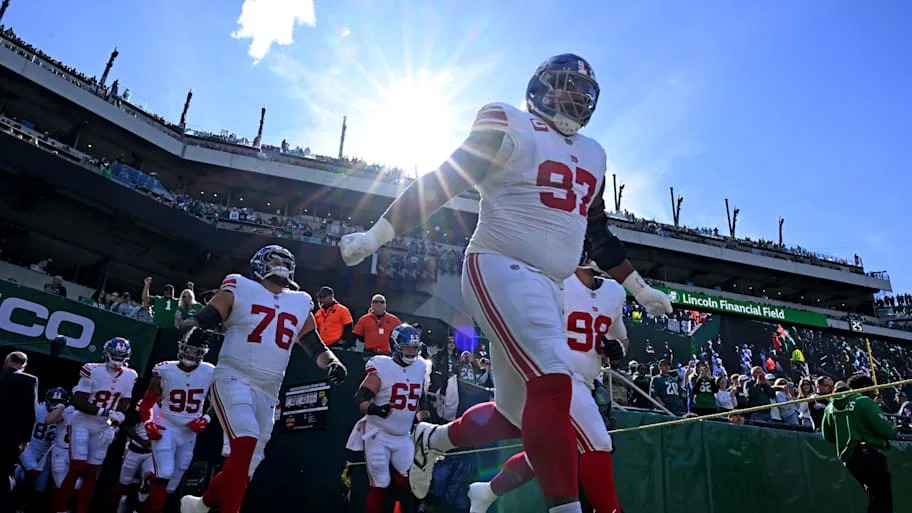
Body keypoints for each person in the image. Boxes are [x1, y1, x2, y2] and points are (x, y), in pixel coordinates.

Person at [339, 53, 671, 512]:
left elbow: (597, 234)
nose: (573, 96)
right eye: (565, 85)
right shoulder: (506, 120)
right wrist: (379, 232)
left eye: (582, 91)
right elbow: (444, 181)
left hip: (548, 286)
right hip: (499, 262)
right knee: (553, 380)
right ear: (540, 86)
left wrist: (640, 288)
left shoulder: (594, 153)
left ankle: (431, 439)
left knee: (513, 415)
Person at [179, 245, 348, 513]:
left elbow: (315, 347)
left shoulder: (299, 301)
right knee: (244, 441)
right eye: (276, 261)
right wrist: (194, 333)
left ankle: (201, 505)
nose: (280, 266)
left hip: (268, 390)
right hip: (234, 376)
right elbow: (198, 320)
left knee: (246, 467)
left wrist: (333, 363)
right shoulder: (239, 286)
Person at [467, 252, 628, 513]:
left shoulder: (615, 293)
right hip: (554, 372)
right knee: (598, 441)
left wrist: (618, 348)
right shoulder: (555, 277)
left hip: (585, 382)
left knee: (543, 455)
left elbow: (621, 338)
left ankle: (486, 492)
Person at [347, 324, 429, 513]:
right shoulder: (382, 366)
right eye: (407, 346)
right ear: (395, 345)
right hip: (378, 434)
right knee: (381, 483)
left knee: (410, 480)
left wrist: (423, 422)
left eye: (415, 347)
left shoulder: (420, 367)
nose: (411, 351)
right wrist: (375, 409)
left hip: (403, 436)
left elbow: (420, 398)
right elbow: (359, 399)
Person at [51, 338, 137, 513]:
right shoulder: (92, 369)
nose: (117, 357)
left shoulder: (130, 375)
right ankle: (60, 508)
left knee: (92, 471)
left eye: (121, 355)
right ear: (106, 353)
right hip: (83, 421)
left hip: (103, 426)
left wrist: (114, 424)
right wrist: (107, 413)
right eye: (115, 354)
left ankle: (82, 510)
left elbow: (124, 403)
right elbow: (79, 401)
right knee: (77, 467)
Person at [136, 331, 215, 513]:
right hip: (167, 425)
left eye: (196, 351)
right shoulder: (164, 370)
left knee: (172, 484)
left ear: (203, 352)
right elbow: (147, 403)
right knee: (164, 472)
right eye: (188, 349)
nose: (190, 354)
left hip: (189, 431)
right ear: (181, 347)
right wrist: (149, 423)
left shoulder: (210, 372)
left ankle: (147, 483)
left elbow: (219, 402)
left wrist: (206, 418)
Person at [822, 374, 896, 513]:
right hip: (870, 454)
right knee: (882, 498)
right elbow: (887, 431)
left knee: (874, 496)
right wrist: (893, 430)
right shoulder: (864, 402)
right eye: (872, 390)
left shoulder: (830, 406)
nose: (874, 395)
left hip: (850, 458)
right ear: (864, 388)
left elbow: (827, 435)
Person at [0, 351, 39, 510]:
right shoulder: (28, 381)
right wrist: (25, 439)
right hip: (9, 438)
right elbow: (31, 413)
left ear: (6, 362)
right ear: (24, 366)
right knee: (4, 475)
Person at [19, 387, 69, 494]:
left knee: (40, 487)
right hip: (30, 448)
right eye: (54, 401)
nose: (55, 405)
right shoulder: (38, 409)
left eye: (59, 403)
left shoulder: (67, 414)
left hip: (46, 454)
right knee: (29, 473)